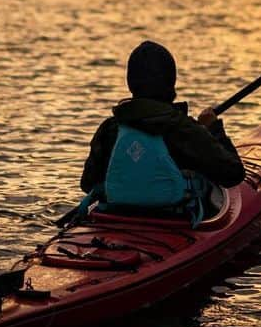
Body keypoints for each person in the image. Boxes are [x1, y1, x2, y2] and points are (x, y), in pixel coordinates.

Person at [80, 40, 245, 221]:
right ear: (171, 82)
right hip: (175, 221)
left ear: (130, 83)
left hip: (118, 217)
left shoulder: (110, 128)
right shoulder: (183, 128)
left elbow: (88, 184)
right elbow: (233, 174)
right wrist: (213, 129)